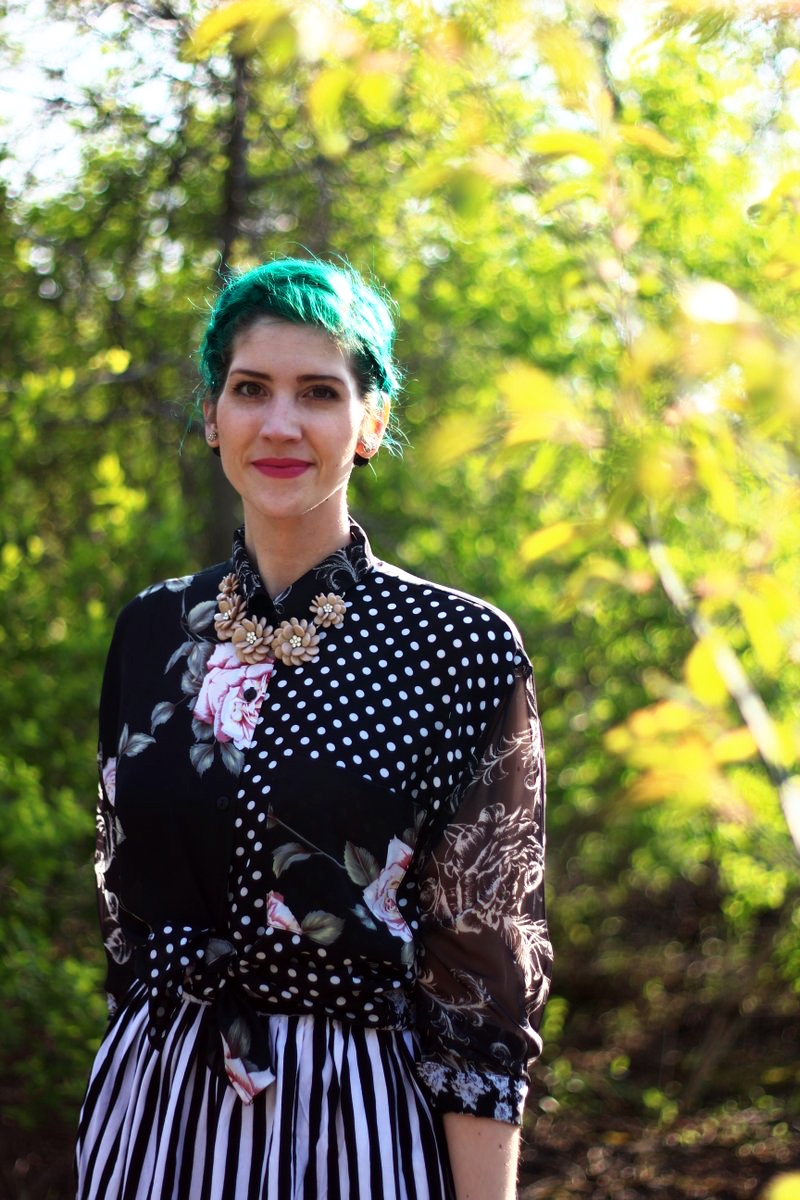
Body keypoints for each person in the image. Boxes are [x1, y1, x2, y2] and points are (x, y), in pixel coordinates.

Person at [76, 257, 552, 1200]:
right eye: (251, 389)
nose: (281, 424)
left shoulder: (455, 646)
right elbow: (123, 916)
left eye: (320, 393)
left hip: (353, 1125)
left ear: (370, 422)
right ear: (213, 417)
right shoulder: (149, 631)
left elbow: (485, 969)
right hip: (153, 1113)